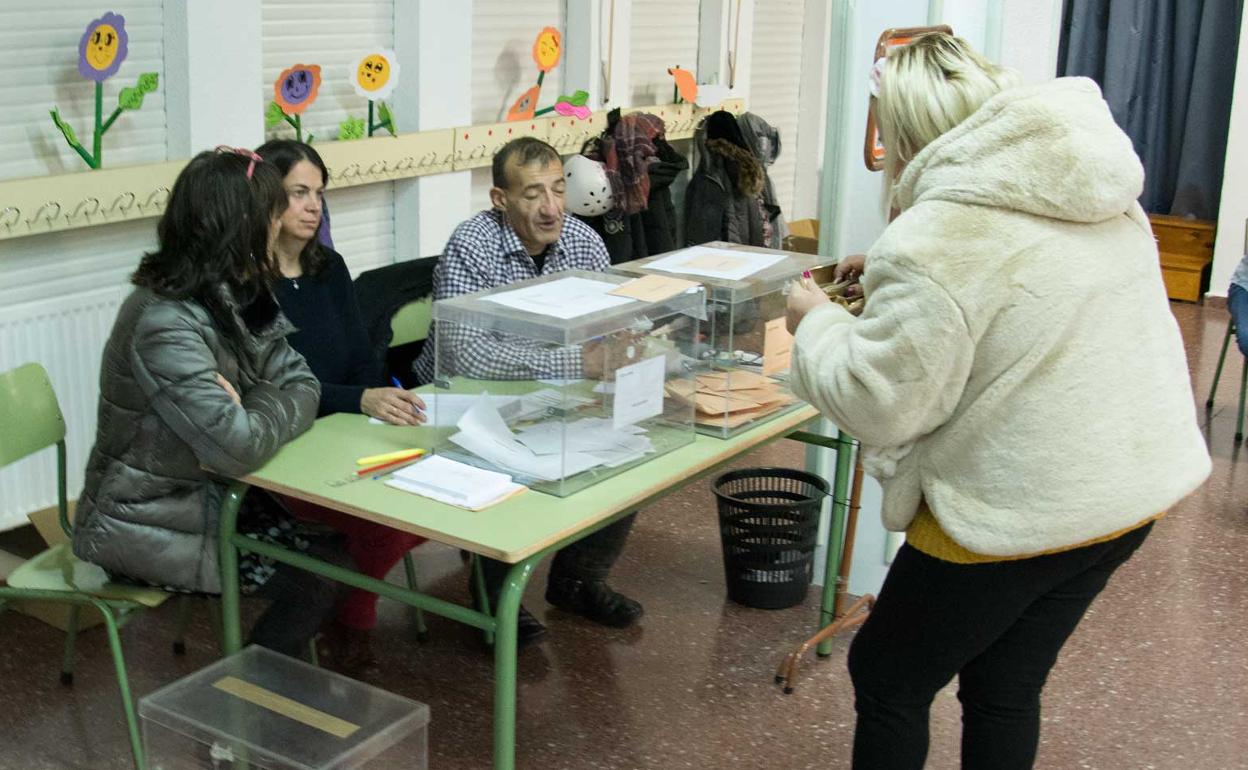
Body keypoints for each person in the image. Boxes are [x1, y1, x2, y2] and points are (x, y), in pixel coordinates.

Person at [784, 34, 1210, 770]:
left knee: (887, 675)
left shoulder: (939, 236)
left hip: (1017, 507)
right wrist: (886, 282)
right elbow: (1011, 304)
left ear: (910, 137)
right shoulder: (1086, 179)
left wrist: (814, 322)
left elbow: (880, 401)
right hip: (1129, 489)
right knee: (1005, 683)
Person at [72, 148, 347, 658]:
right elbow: (238, 446)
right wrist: (258, 406)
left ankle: (265, 693)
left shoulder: (237, 290)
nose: (280, 222)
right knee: (315, 576)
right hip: (146, 524)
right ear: (239, 225)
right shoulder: (164, 320)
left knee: (336, 549)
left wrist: (248, 400)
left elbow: (303, 382)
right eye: (271, 211)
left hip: (208, 499)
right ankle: (248, 703)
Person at [412, 137, 643, 646]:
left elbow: (612, 324)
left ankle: (579, 581)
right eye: (533, 193)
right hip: (464, 399)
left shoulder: (585, 242)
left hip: (553, 395)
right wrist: (577, 360)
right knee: (507, 466)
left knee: (629, 452)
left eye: (559, 189)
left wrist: (631, 340)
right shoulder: (471, 244)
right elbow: (467, 357)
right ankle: (493, 602)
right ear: (501, 199)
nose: (552, 207)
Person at [256, 139, 429, 673]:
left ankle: (348, 611)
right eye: (298, 193)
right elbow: (276, 390)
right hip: (288, 444)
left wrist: (375, 406)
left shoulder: (328, 268)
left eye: (319, 194)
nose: (314, 207)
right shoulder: (246, 286)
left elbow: (360, 356)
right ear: (265, 201)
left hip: (350, 429)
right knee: (388, 522)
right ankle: (352, 622)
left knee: (430, 501)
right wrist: (361, 399)